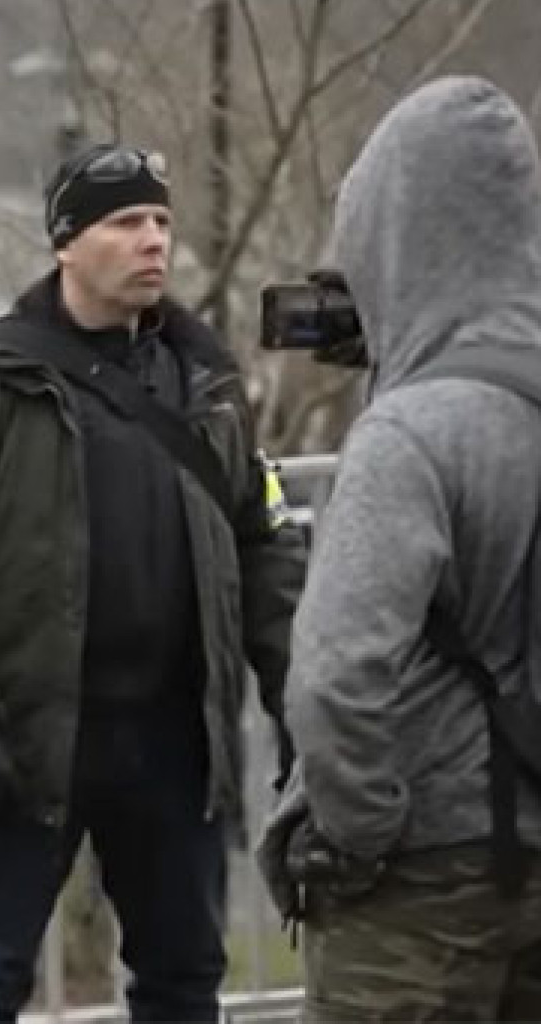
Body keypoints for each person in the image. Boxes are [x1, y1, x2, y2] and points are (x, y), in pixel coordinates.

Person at [0, 141, 303, 1022]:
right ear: (65, 241)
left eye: (162, 221)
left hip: (174, 741)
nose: (154, 240)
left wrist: (301, 700)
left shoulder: (208, 390)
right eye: (126, 222)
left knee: (185, 977)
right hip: (30, 739)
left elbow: (266, 551)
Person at [260, 76, 541, 1021]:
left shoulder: (410, 434)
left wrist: (357, 834)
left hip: (417, 894)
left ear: (392, 236)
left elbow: (336, 676)